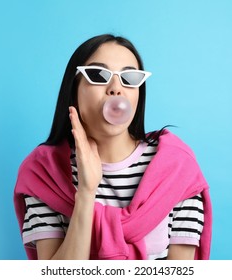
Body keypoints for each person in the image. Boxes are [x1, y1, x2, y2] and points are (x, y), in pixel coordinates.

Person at [13, 34, 212, 260]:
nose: (116, 89)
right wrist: (86, 194)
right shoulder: (45, 173)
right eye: (98, 75)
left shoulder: (177, 170)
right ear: (73, 88)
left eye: (129, 78)